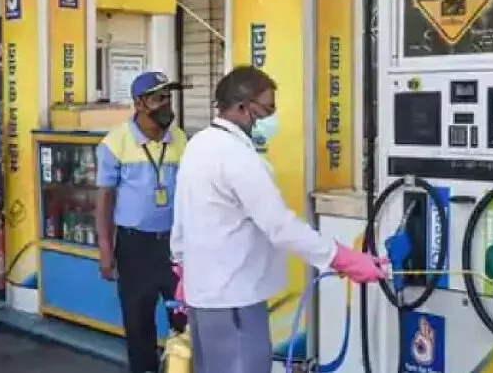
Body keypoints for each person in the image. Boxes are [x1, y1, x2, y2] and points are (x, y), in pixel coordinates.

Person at [171, 65, 388, 373]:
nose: (271, 117)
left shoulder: (199, 144)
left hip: (204, 297)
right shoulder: (237, 157)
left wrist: (182, 267)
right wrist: (342, 258)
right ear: (243, 107)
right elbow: (280, 226)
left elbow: (181, 218)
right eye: (268, 108)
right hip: (235, 300)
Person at [95, 71, 187, 373]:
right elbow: (104, 201)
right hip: (134, 247)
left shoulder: (180, 139)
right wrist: (105, 250)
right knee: (138, 324)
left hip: (174, 246)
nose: (166, 104)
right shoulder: (115, 143)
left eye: (168, 98)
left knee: (183, 322)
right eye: (158, 98)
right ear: (139, 103)